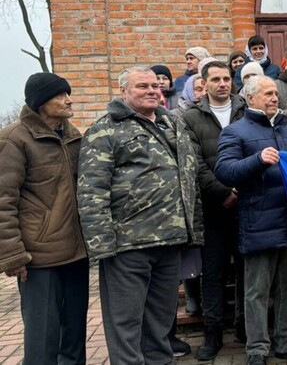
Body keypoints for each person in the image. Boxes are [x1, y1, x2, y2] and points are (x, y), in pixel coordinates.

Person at [77, 66, 204, 363]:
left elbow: (189, 178)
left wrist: (192, 230)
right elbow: (91, 191)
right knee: (126, 324)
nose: (151, 90)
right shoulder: (105, 129)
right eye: (141, 86)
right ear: (123, 92)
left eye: (154, 86)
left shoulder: (172, 124)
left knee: (160, 322)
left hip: (170, 241)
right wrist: (103, 246)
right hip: (127, 246)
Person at [215, 76, 287, 365]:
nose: (274, 98)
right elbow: (225, 171)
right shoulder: (236, 131)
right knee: (256, 291)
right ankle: (257, 349)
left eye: (276, 93)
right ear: (250, 98)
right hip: (258, 221)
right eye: (268, 93)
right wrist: (257, 159)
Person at [0, 73, 89, 364]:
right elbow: (3, 201)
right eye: (60, 95)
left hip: (77, 253)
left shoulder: (74, 136)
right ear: (40, 102)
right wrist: (13, 255)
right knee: (42, 340)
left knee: (74, 336)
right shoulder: (14, 139)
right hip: (38, 260)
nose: (69, 99)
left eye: (68, 93)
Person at [183, 60, 247, 360]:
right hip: (212, 207)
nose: (223, 84)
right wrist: (222, 192)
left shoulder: (247, 109)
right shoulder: (190, 117)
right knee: (213, 273)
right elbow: (193, 161)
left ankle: (245, 328)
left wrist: (240, 189)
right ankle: (212, 333)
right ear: (204, 84)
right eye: (216, 79)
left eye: (227, 79)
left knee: (248, 269)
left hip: (248, 204)